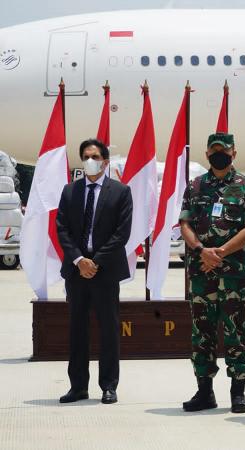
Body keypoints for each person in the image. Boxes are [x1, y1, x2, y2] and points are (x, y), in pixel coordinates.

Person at [180, 133, 245, 414]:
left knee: (235, 329)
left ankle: (238, 392)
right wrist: (203, 250)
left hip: (234, 272)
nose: (219, 154)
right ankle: (205, 393)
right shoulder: (196, 186)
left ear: (233, 153)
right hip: (202, 270)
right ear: (207, 153)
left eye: (223, 150)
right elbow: (185, 224)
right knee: (201, 331)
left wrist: (220, 252)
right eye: (214, 150)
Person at [56, 138, 132, 405]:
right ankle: (78, 387)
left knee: (109, 329)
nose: (90, 160)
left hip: (106, 270)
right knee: (77, 329)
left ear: (105, 161)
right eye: (86, 156)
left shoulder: (120, 191)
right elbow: (61, 229)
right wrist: (79, 260)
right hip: (77, 271)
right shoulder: (69, 191)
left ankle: (108, 386)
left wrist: (95, 261)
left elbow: (121, 234)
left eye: (95, 156)